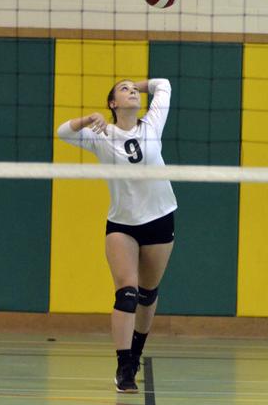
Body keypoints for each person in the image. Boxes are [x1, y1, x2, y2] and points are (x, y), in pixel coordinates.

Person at [57, 79, 177, 394]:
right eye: (123, 90)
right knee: (127, 293)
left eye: (134, 89)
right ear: (112, 104)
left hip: (160, 219)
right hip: (122, 224)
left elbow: (163, 84)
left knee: (147, 294)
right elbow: (62, 132)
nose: (132, 92)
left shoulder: (152, 123)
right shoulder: (102, 135)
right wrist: (88, 118)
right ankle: (124, 367)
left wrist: (132, 80)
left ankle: (136, 353)